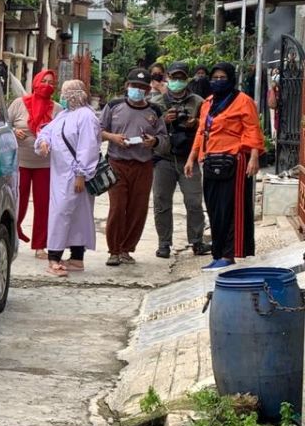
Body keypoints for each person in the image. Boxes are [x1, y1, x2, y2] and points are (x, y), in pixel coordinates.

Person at [185, 62, 264, 269]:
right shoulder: (208, 103)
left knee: (231, 209)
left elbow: (252, 130)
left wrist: (254, 156)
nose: (218, 81)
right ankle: (218, 253)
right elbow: (202, 132)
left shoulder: (243, 101)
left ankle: (229, 254)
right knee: (214, 208)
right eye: (215, 77)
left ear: (230, 78)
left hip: (234, 160)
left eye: (223, 78)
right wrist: (192, 157)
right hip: (211, 161)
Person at [99, 68, 169, 266]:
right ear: (127, 86)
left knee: (138, 210)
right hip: (117, 162)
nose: (137, 90)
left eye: (142, 87)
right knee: (118, 207)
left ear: (148, 90)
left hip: (143, 165)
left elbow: (164, 139)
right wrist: (113, 137)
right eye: (134, 86)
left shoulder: (154, 111)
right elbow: (98, 129)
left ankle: (126, 249)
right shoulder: (114, 105)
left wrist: (153, 141)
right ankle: (113, 250)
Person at [35, 80, 98, 276]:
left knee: (62, 215)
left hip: (74, 176)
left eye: (64, 93)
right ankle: (76, 259)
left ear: (73, 94)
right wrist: (44, 141)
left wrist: (81, 173)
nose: (61, 97)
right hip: (60, 176)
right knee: (72, 216)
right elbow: (46, 131)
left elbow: (88, 147)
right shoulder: (64, 115)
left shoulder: (87, 117)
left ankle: (55, 258)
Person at [149, 62, 210, 259]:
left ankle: (197, 241)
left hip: (188, 159)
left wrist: (196, 122)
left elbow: (209, 126)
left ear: (187, 79)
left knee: (193, 201)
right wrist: (163, 121)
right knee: (161, 202)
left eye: (181, 78)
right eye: (174, 78)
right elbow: (148, 131)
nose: (177, 82)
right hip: (163, 158)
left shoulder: (198, 102)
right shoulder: (157, 102)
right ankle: (164, 243)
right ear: (167, 77)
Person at [6, 68, 62, 257]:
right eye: (44, 81)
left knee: (43, 204)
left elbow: (62, 135)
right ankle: (12, 237)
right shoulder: (18, 104)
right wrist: (14, 131)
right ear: (35, 82)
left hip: (44, 164)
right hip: (20, 162)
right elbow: (3, 125)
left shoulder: (56, 109)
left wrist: (49, 141)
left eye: (51, 82)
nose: (47, 85)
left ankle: (40, 245)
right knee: (18, 203)